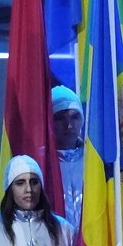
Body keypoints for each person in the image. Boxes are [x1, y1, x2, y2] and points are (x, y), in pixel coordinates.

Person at [52, 85, 86, 230]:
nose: (69, 125)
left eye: (75, 117)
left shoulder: (95, 163)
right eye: (60, 118)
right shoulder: (36, 163)